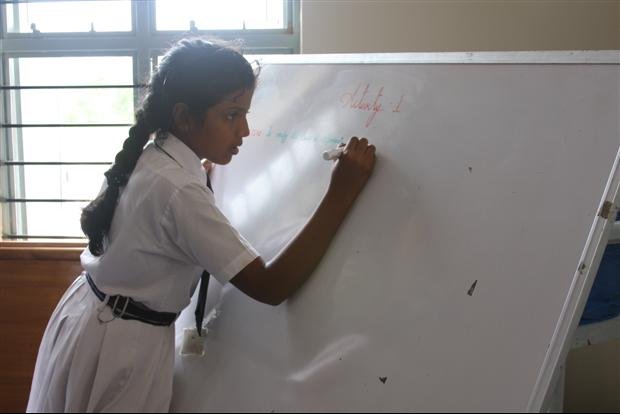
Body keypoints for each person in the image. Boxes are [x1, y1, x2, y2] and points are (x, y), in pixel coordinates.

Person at [27, 38, 376, 413]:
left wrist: (197, 177)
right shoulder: (179, 191)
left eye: (245, 114)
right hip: (122, 345)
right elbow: (272, 285)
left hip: (93, 319)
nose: (244, 130)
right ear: (183, 117)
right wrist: (340, 193)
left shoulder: (155, 158)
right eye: (231, 115)